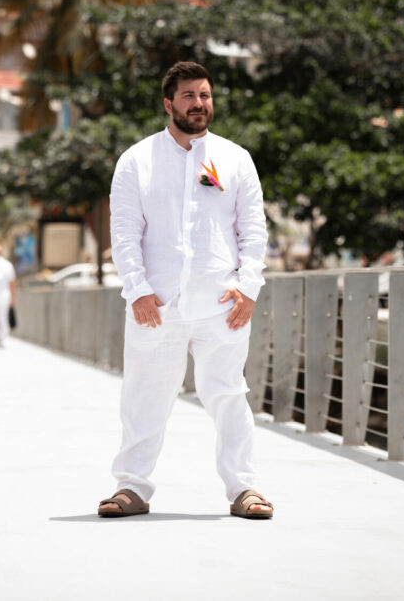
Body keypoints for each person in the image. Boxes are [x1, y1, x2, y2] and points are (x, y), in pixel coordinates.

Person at [98, 61, 273, 519]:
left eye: (206, 95)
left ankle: (244, 489)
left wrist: (249, 286)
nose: (200, 104)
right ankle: (131, 489)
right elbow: (124, 231)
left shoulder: (235, 159)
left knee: (230, 394)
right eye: (190, 96)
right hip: (156, 305)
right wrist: (136, 289)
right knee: (144, 397)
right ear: (168, 104)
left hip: (222, 304)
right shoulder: (137, 160)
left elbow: (253, 231)